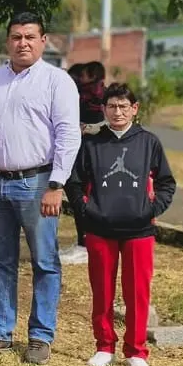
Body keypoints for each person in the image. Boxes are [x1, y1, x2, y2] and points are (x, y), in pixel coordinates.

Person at [0, 11, 80, 365]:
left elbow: (68, 134)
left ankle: (40, 336)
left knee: (45, 261)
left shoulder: (56, 81)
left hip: (38, 183)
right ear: (7, 41)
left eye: (30, 36)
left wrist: (56, 184)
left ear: (43, 40)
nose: (23, 43)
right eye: (16, 36)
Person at [65, 84, 175, 366]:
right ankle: (104, 346)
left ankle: (136, 350)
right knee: (101, 290)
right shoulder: (91, 144)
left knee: (137, 292)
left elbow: (166, 183)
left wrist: (151, 209)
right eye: (112, 106)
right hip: (100, 229)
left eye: (124, 106)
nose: (118, 112)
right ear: (103, 110)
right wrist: (86, 211)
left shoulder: (149, 142)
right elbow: (74, 182)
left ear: (134, 109)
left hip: (139, 230)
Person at [61, 60, 108, 266]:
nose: (79, 80)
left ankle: (86, 245)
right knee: (76, 196)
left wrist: (85, 127)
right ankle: (83, 242)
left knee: (80, 196)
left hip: (88, 156)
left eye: (82, 76)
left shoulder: (100, 98)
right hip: (76, 153)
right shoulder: (83, 97)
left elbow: (108, 124)